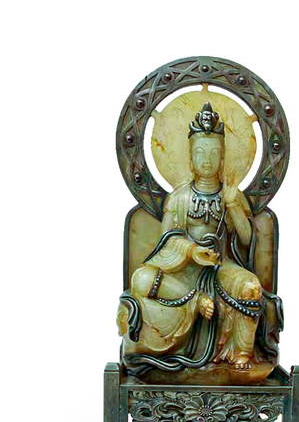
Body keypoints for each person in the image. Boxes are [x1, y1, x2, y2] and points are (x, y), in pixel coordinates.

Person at [117, 103, 277, 376]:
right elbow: (166, 241)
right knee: (140, 279)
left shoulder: (231, 195)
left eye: (214, 153)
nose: (207, 160)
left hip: (221, 269)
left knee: (251, 287)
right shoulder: (179, 198)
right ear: (190, 158)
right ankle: (196, 300)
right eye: (200, 152)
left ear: (223, 158)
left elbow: (247, 240)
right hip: (183, 273)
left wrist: (233, 205)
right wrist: (191, 252)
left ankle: (240, 352)